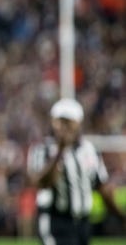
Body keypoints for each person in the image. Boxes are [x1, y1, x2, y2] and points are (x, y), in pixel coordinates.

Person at [26, 98, 126, 245]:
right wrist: (60, 151)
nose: (64, 127)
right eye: (61, 121)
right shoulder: (43, 149)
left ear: (78, 123)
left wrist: (120, 216)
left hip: (83, 223)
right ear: (53, 122)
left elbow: (100, 186)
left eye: (69, 122)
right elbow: (40, 183)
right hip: (55, 221)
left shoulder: (88, 150)